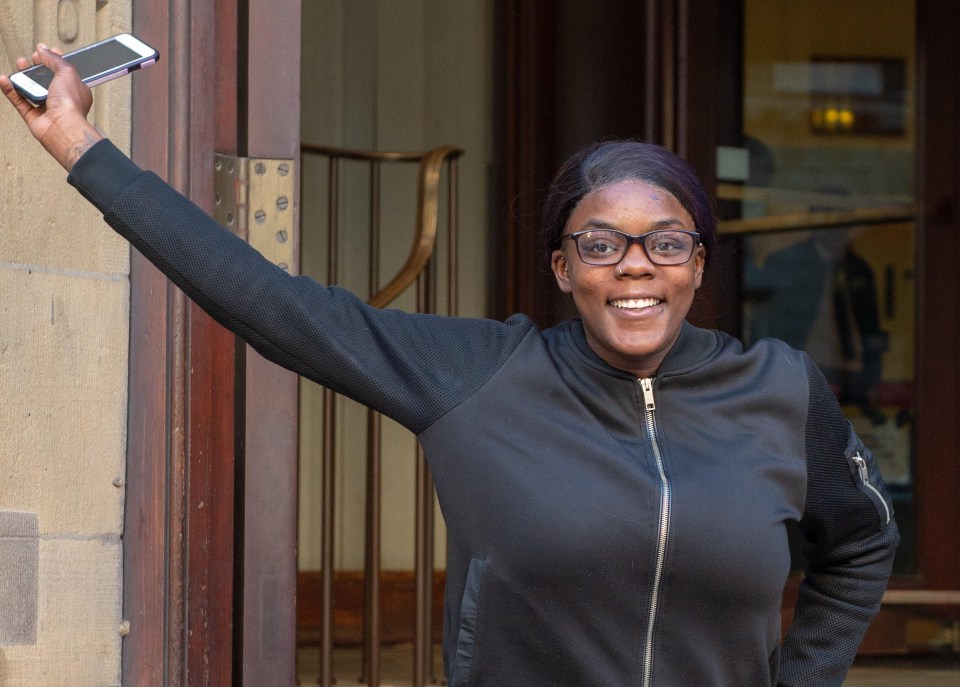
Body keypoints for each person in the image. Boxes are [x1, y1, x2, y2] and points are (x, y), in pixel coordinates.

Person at [2, 46, 898, 687]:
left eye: (666, 243)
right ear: (562, 265)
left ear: (700, 262)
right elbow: (269, 302)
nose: (635, 266)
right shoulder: (482, 376)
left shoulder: (778, 389)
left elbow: (859, 543)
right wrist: (82, 147)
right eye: (601, 244)